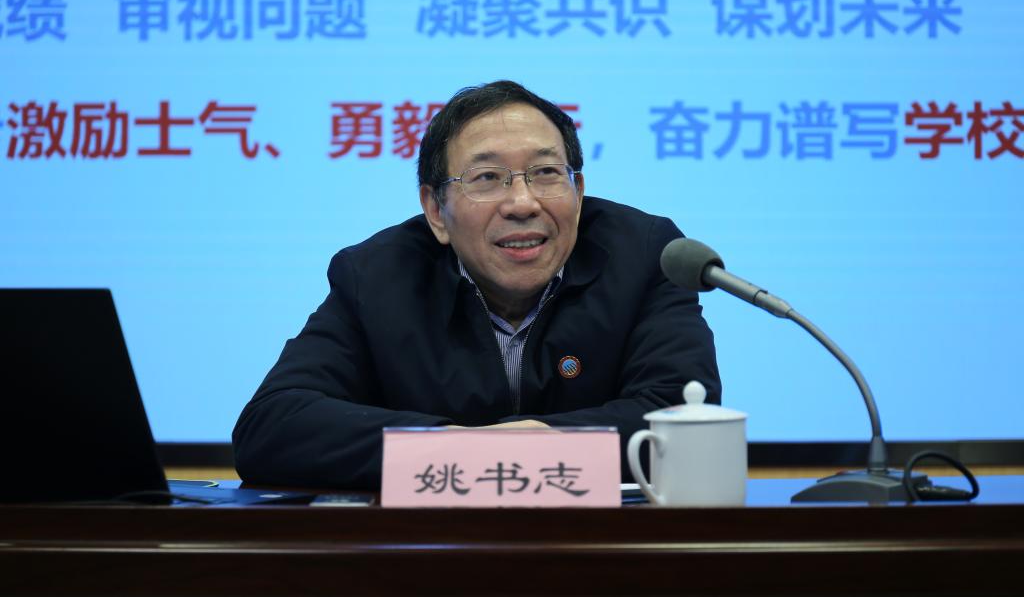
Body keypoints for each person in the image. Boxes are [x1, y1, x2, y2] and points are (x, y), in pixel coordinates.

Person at [233, 80, 719, 489]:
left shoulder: (646, 255)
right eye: (487, 178)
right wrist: (466, 450)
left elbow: (682, 417)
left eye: (546, 173)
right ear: (435, 210)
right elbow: (272, 427)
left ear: (578, 191)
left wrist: (530, 445)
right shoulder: (377, 277)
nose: (523, 203)